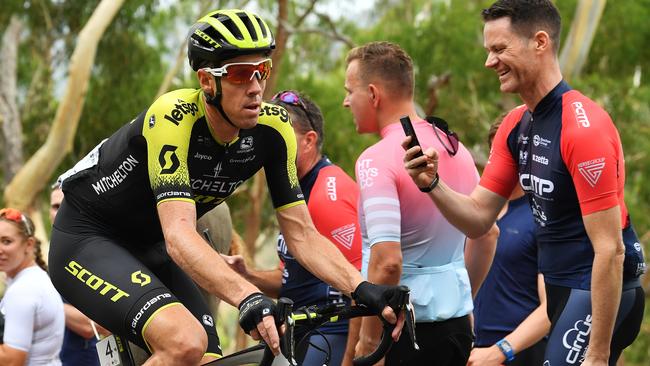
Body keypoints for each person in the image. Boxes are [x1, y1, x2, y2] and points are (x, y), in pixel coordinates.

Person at [48, 9, 405, 365]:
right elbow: (179, 233)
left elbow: (303, 236)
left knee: (209, 358)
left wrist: (361, 288)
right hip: (89, 238)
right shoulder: (174, 118)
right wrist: (248, 295)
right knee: (184, 343)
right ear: (206, 81)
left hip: (150, 245)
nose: (255, 86)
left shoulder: (275, 129)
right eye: (239, 74)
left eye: (261, 71)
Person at [402, 1, 646, 365]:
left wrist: (596, 354)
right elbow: (479, 218)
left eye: (499, 49)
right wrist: (432, 183)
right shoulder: (517, 125)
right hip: (563, 290)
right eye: (489, 51)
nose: (489, 62)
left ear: (540, 42)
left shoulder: (583, 127)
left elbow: (610, 250)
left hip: (602, 291)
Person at [343, 41, 498, 365]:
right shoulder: (456, 149)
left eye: (350, 91)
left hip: (398, 334)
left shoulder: (376, 160)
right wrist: (458, 301)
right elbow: (487, 235)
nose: (346, 102)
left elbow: (387, 262)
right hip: (457, 328)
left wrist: (370, 342)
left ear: (373, 94)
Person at [222, 90, 363, 366]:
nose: (268, 144)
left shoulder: (326, 194)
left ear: (309, 141)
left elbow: (361, 282)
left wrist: (351, 357)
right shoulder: (294, 190)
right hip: (298, 332)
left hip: (329, 336)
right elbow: (290, 280)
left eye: (281, 136)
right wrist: (248, 275)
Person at [468, 118, 549, 366]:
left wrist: (500, 351)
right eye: (495, 153)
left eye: (510, 152)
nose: (501, 161)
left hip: (518, 353)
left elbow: (553, 308)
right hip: (473, 351)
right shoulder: (475, 215)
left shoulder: (541, 216)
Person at [51, 185, 110, 366]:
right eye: (55, 206)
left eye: (64, 205)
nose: (59, 212)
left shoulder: (104, 256)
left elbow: (98, 326)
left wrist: (43, 303)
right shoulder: (47, 264)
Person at [0, 208, 65, 365]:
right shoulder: (35, 278)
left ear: (29, 244)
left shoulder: (23, 290)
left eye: (6, 241)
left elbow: (12, 360)